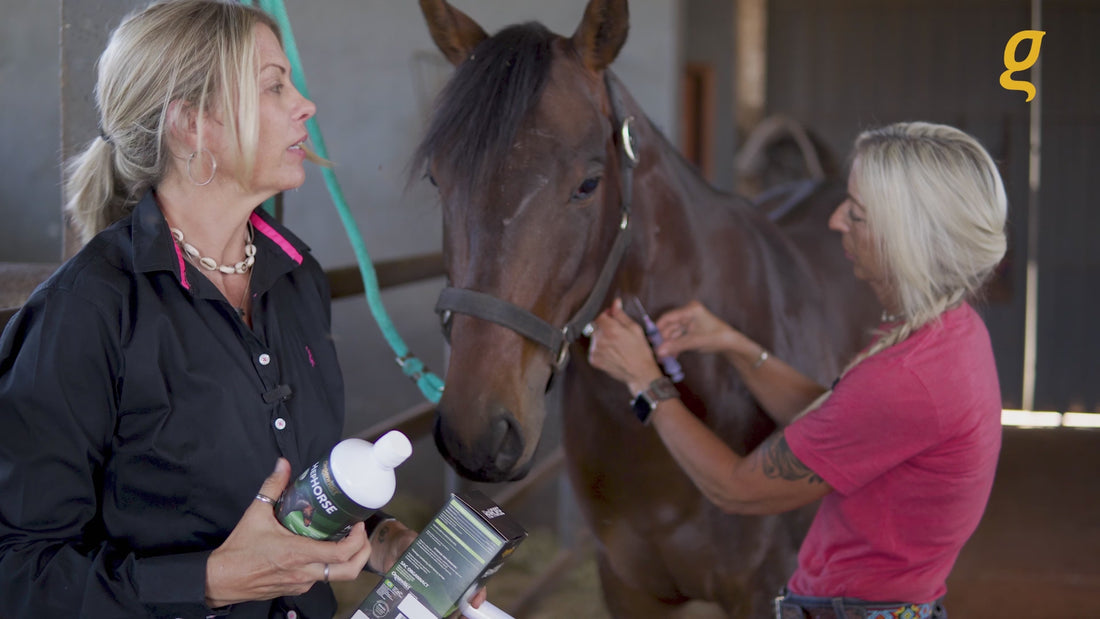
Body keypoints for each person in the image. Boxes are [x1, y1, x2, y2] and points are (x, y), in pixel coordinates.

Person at [0, 2, 486, 617]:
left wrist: (387, 540)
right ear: (193, 125)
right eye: (273, 85)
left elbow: (296, 474)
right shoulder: (85, 313)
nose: (304, 105)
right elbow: (16, 574)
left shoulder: (296, 276)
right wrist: (213, 580)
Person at [587, 121, 1007, 618]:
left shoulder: (907, 379)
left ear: (903, 237)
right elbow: (841, 419)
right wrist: (736, 346)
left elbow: (737, 489)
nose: (834, 222)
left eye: (856, 213)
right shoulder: (951, 332)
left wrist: (645, 382)